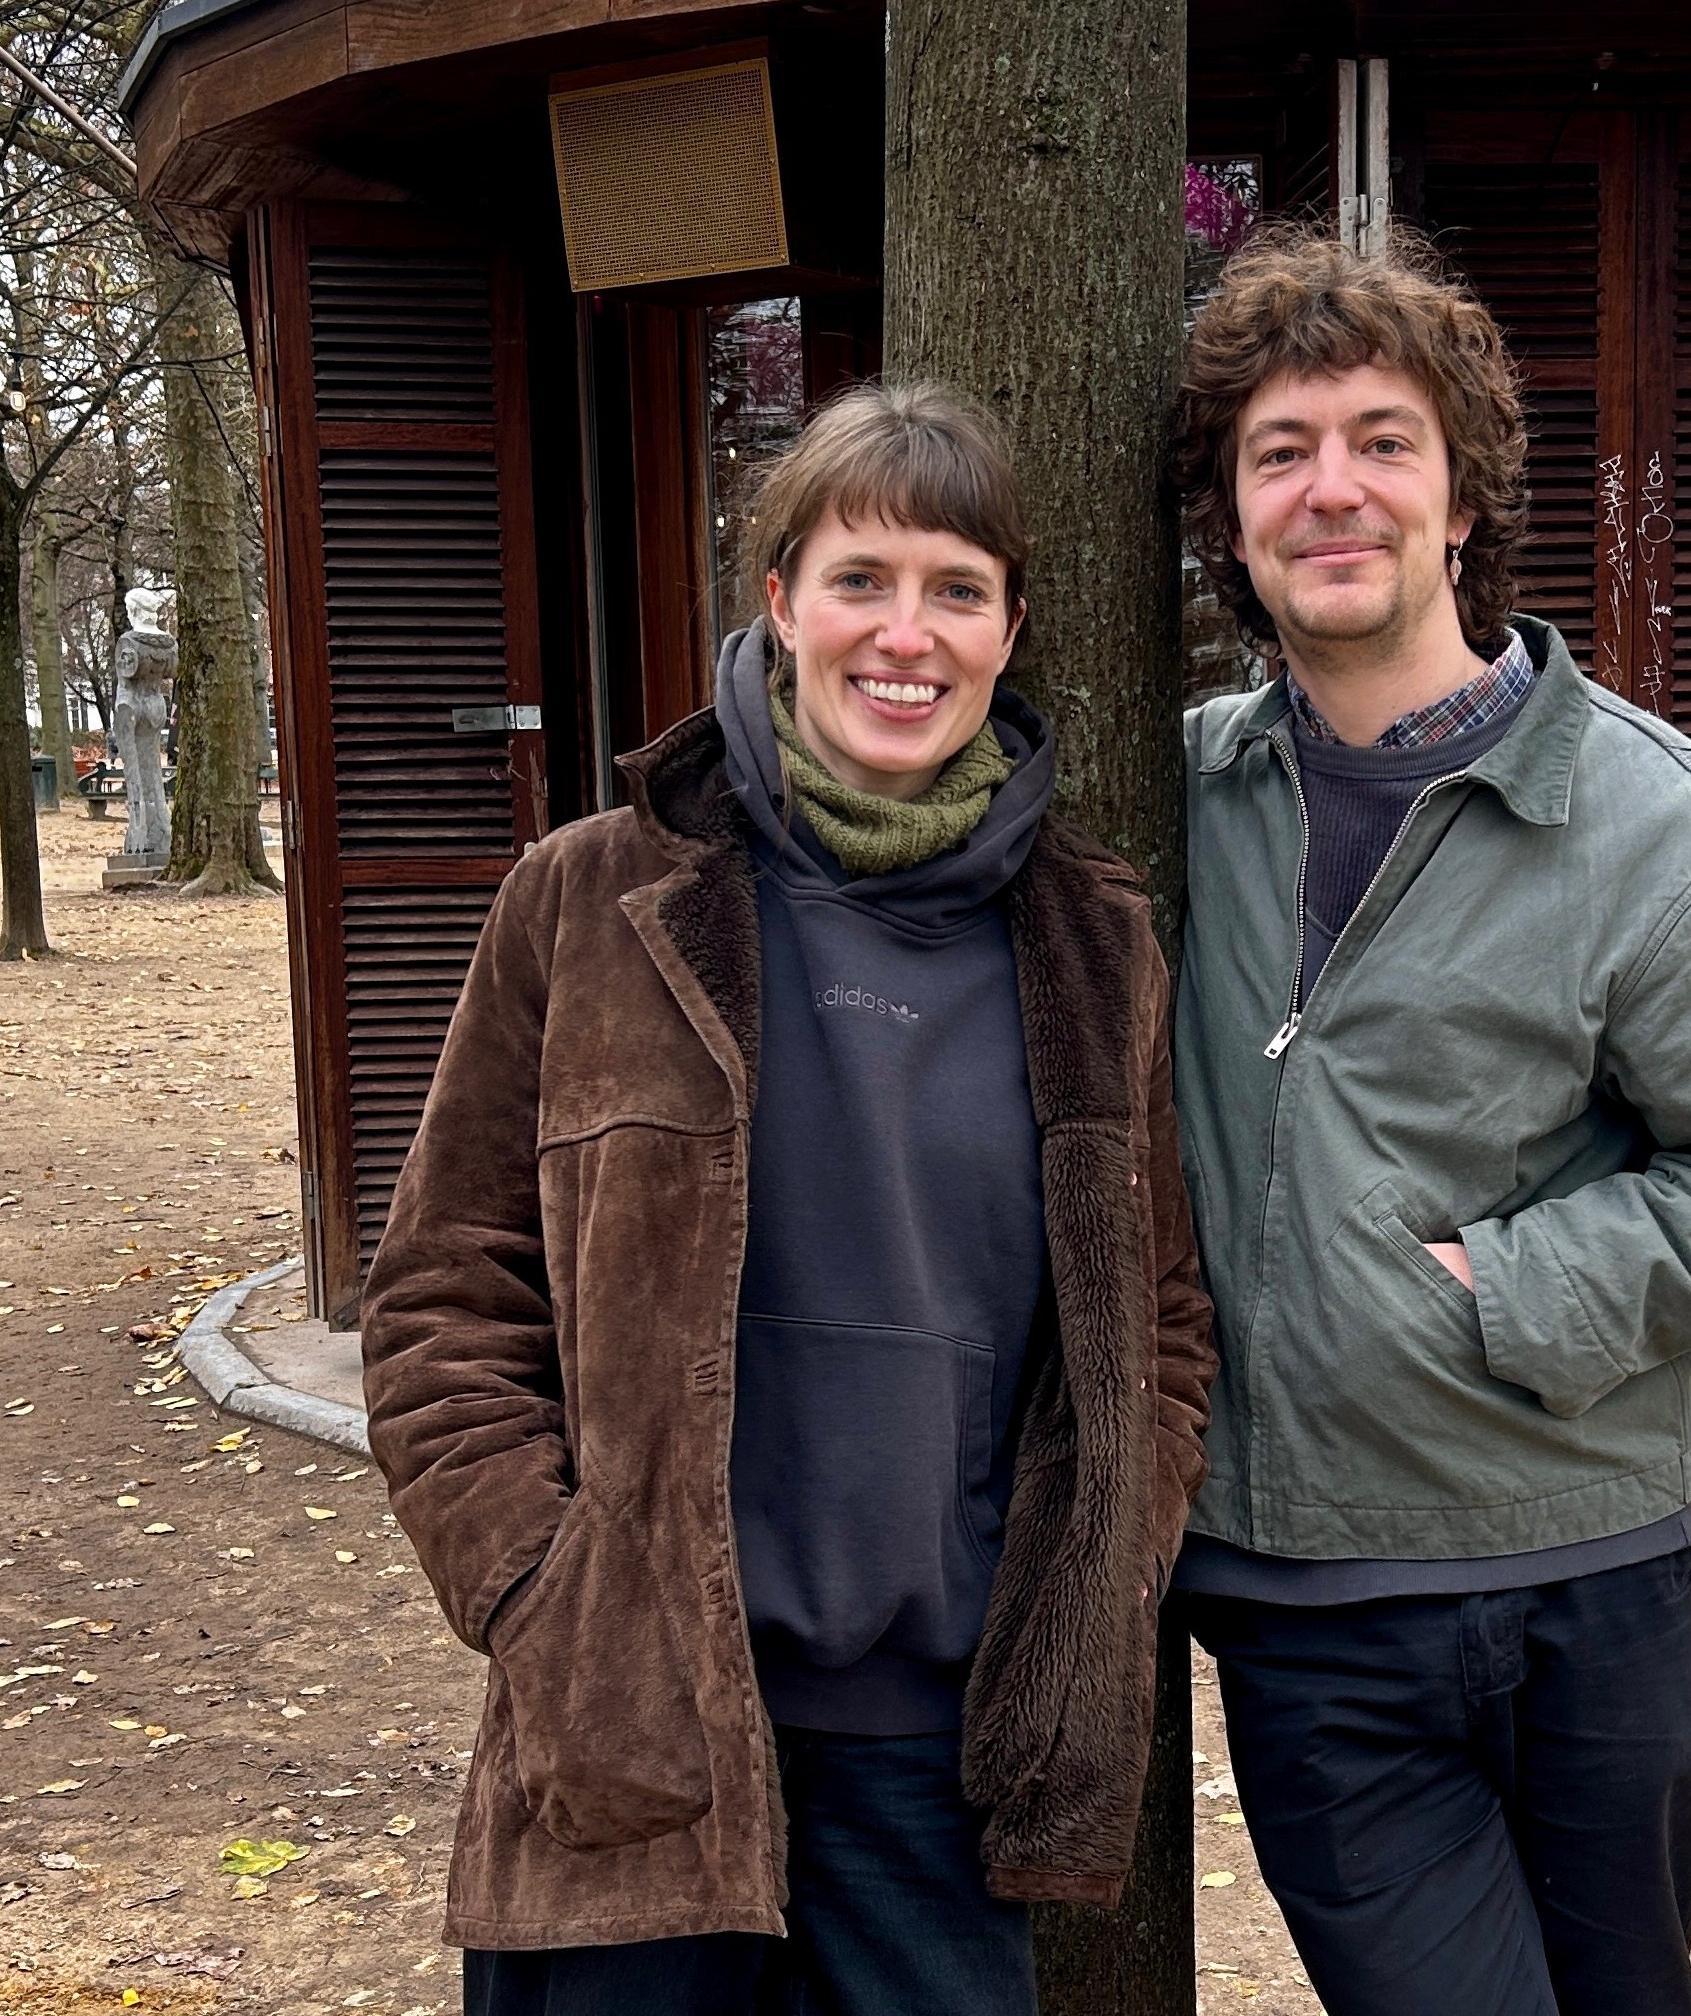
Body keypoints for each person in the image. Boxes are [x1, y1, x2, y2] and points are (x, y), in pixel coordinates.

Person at [360, 383, 1215, 2016]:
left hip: (938, 1770)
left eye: (954, 589)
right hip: (633, 1732)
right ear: (778, 604)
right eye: (859, 579)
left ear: (1006, 627)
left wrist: (1100, 1571)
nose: (906, 634)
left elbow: (1158, 1323)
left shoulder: (1093, 942)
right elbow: (442, 1296)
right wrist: (544, 1602)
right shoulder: (593, 895)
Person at [1165, 226, 1691, 2016]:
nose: (1330, 490)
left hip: (1580, 1583)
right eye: (1279, 453)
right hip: (1299, 1600)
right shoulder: (1168, 793)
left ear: (1460, 498)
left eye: (1379, 441)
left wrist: (1494, 1288)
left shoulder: (1652, 827)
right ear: (1234, 516)